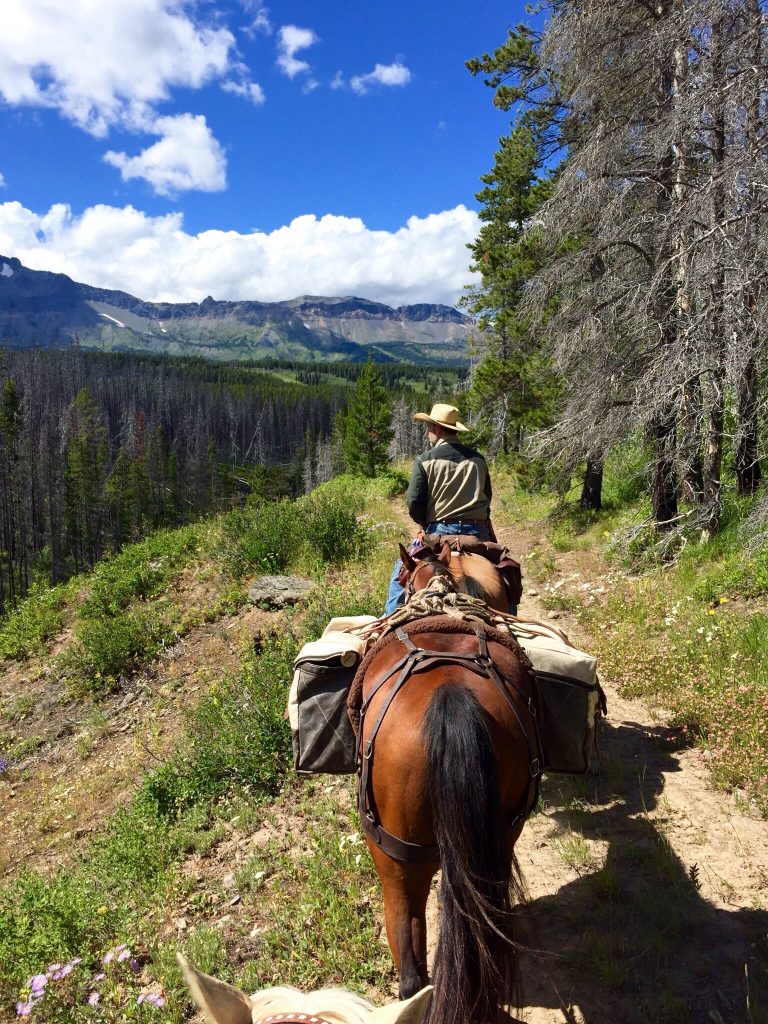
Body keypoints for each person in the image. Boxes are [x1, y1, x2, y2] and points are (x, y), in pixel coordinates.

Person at [385, 403, 493, 615]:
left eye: (429, 427)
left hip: (440, 533)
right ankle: (509, 622)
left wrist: (425, 524)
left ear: (437, 429)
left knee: (401, 571)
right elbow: (487, 497)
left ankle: (390, 619)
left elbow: (414, 501)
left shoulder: (425, 461)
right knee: (505, 572)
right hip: (477, 533)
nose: (427, 432)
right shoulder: (478, 460)